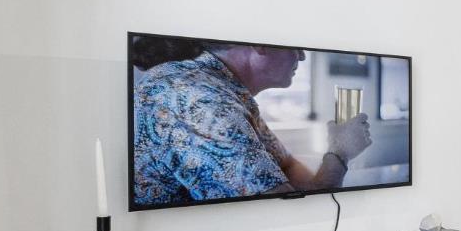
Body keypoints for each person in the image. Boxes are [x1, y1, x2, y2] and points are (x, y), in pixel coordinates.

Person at [131, 39, 372, 206]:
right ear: (260, 44)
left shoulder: (225, 89)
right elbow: (281, 212)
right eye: (295, 47)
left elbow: (286, 167)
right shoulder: (203, 103)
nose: (302, 55)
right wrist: (340, 153)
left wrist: (332, 160)